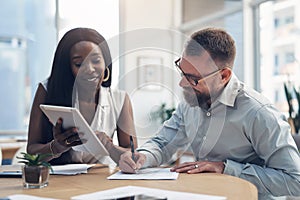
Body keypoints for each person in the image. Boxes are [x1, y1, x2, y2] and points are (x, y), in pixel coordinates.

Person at [119, 27, 300, 199]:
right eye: (182, 71)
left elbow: (294, 180)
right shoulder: (190, 103)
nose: (182, 83)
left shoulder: (258, 113)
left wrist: (225, 169)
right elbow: (163, 143)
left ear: (224, 76)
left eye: (194, 78)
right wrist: (142, 156)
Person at [27, 27, 137, 165]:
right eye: (79, 64)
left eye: (96, 61)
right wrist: (57, 147)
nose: (90, 69)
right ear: (67, 67)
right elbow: (31, 153)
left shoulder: (120, 99)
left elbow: (134, 155)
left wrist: (109, 147)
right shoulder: (47, 90)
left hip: (100, 180)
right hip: (58, 182)